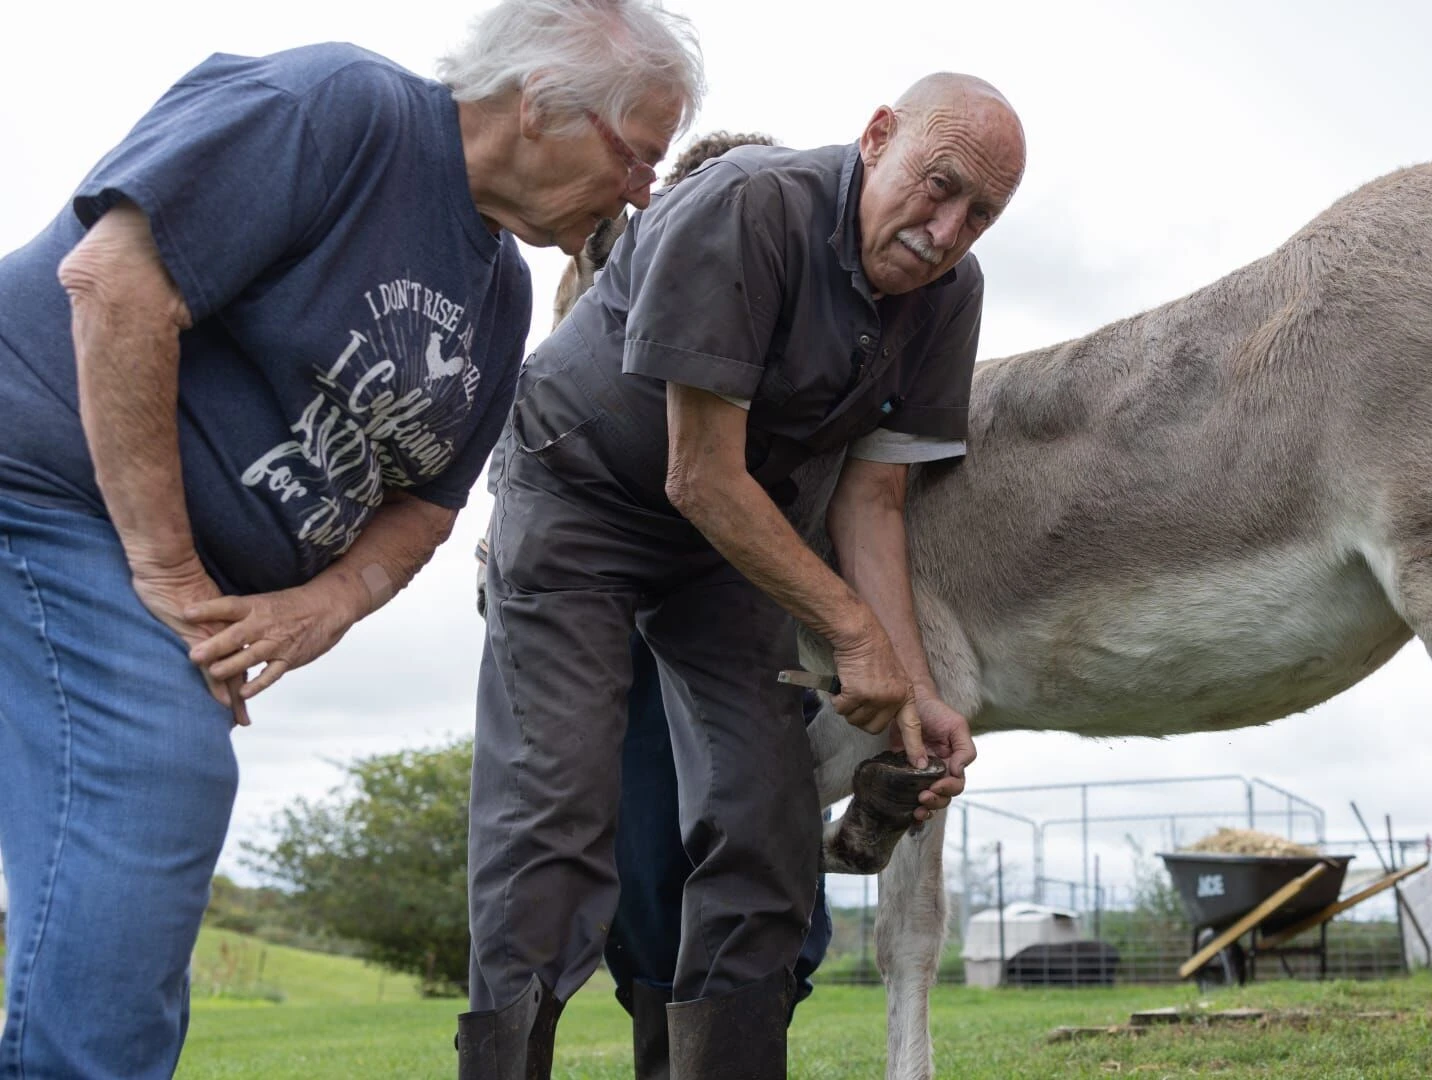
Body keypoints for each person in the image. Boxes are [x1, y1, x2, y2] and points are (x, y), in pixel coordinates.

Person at [0, 2, 702, 1076]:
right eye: (639, 154)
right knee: (159, 772)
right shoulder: (344, 109)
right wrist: (170, 570)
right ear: (542, 105)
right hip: (47, 489)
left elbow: (426, 508)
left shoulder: (500, 293)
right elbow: (115, 283)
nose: (645, 190)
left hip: (153, 559)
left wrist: (318, 605)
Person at [468, 73, 1026, 1077]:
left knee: (766, 820)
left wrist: (914, 692)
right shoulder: (746, 205)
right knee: (556, 820)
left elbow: (872, 503)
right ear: (877, 135)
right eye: (937, 186)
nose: (946, 231)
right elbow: (698, 472)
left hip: (729, 542)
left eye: (980, 214)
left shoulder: (950, 296)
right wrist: (853, 635)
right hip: (581, 501)